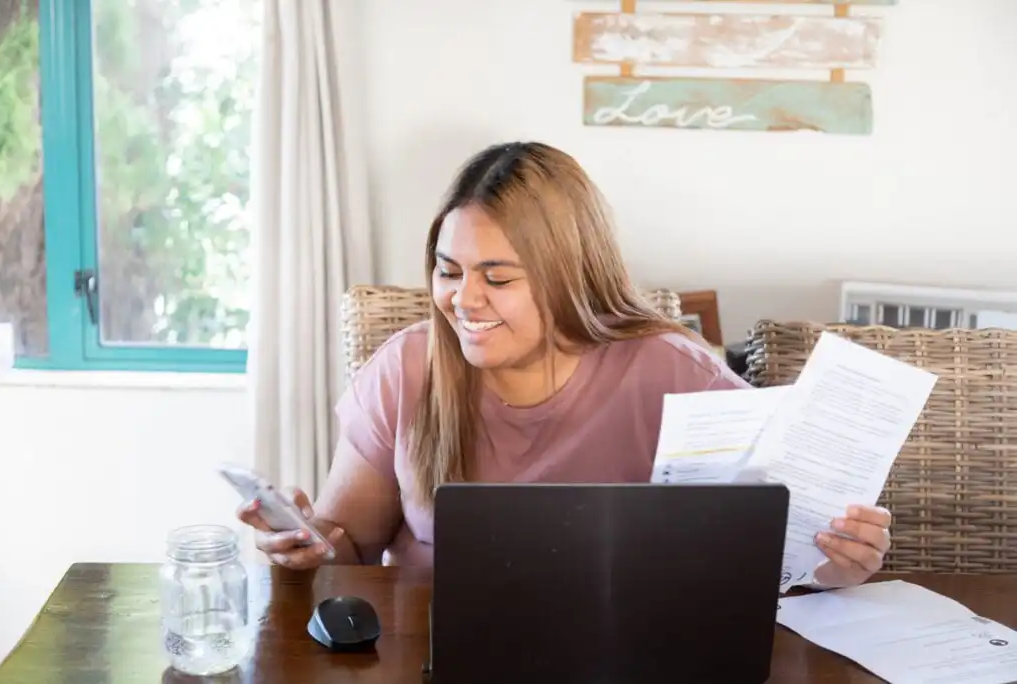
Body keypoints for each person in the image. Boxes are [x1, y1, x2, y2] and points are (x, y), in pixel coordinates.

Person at [238, 141, 892, 588]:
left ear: (567, 277)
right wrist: (309, 546)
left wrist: (832, 563)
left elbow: (764, 559)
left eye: (497, 277)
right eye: (448, 271)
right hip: (434, 648)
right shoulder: (406, 369)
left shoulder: (677, 374)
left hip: (631, 653)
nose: (463, 301)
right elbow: (345, 545)